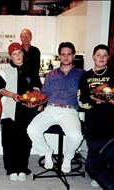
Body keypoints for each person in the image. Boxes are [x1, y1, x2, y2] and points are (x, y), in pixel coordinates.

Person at [78, 44, 114, 186]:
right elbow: (81, 97)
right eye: (98, 55)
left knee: (112, 151)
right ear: (93, 57)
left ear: (108, 57)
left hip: (112, 120)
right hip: (93, 120)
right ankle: (96, 175)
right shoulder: (86, 76)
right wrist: (92, 98)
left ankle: (111, 176)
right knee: (94, 151)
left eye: (104, 55)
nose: (101, 58)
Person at [27, 42, 85, 173]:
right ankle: (47, 152)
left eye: (69, 54)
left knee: (76, 136)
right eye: (63, 54)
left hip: (69, 111)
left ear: (73, 55)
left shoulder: (82, 74)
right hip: (50, 109)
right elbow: (44, 93)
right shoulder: (50, 74)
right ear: (59, 56)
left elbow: (86, 93)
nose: (66, 57)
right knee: (32, 129)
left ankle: (68, 157)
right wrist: (37, 102)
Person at [0, 42, 42, 181]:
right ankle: (11, 169)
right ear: (10, 57)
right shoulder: (4, 70)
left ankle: (23, 167)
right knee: (9, 141)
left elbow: (37, 88)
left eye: (20, 53)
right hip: (8, 110)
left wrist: (34, 98)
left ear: (23, 53)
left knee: (25, 140)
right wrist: (12, 95)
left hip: (27, 110)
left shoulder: (31, 69)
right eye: (14, 54)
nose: (18, 56)